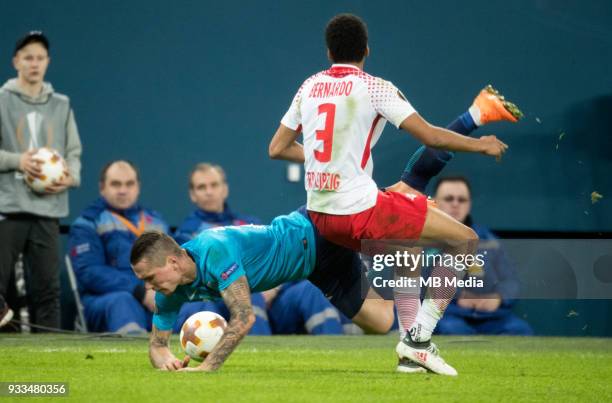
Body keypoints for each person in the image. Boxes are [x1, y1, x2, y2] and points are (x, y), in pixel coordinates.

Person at [129, 94, 519, 372]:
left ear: (175, 258)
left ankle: (474, 113)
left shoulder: (213, 249)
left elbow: (244, 318)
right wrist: (160, 355)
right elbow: (159, 341)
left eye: (150, 277)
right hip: (315, 266)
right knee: (381, 321)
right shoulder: (171, 288)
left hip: (315, 230)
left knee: (409, 191)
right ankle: (414, 338)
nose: (150, 286)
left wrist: (207, 368)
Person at [268, 14, 520, 374]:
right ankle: (418, 341)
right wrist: (481, 146)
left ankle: (409, 355)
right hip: (359, 210)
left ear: (328, 52)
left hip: (322, 217)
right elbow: (431, 137)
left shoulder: (308, 86)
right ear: (367, 50)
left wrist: (330, 161)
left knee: (408, 251)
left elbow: (277, 148)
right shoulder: (375, 87)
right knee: (465, 240)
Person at [174, 163, 343, 335]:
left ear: (224, 189)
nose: (209, 191)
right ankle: (260, 354)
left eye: (214, 185)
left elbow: (280, 257)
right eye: (202, 187)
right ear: (192, 195)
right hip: (226, 307)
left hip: (274, 299)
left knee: (311, 290)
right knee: (247, 293)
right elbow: (197, 284)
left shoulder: (248, 223)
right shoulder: (188, 236)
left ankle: (336, 353)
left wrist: (274, 286)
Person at [0, 31, 82, 330]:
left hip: (48, 210)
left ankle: (50, 350)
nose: (34, 64)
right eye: (28, 58)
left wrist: (69, 177)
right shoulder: (2, 100)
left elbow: (74, 151)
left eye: (40, 58)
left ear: (47, 62)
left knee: (48, 289)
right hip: (8, 207)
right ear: (15, 62)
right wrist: (17, 161)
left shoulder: (61, 104)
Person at [68, 161, 168, 334]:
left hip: (153, 297)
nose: (123, 190)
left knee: (188, 304)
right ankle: (135, 358)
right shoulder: (87, 223)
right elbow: (89, 272)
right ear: (102, 187)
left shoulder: (157, 222)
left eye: (129, 184)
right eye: (115, 184)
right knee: (122, 301)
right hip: (106, 300)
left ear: (138, 187)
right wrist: (140, 291)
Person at [429, 176, 532, 335]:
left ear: (469, 204)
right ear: (434, 202)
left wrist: (498, 298)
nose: (455, 204)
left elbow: (511, 280)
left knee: (520, 330)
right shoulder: (425, 240)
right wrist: (459, 296)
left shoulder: (489, 241)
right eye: (449, 199)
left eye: (462, 200)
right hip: (447, 316)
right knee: (452, 330)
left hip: (493, 317)